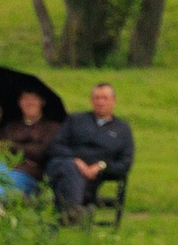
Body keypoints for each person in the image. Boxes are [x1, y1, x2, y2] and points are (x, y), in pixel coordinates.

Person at [47, 81, 134, 222]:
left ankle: (66, 214)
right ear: (91, 101)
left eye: (104, 98)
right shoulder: (75, 120)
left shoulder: (122, 130)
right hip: (66, 165)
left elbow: (125, 164)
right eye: (97, 98)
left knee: (68, 182)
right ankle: (74, 211)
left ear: (114, 101)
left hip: (94, 176)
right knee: (68, 168)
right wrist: (76, 161)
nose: (100, 102)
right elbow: (55, 146)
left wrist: (101, 166)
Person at [1, 88, 60, 191]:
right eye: (25, 99)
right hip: (5, 169)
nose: (30, 103)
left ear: (42, 102)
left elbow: (42, 152)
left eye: (34, 99)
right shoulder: (9, 127)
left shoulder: (52, 127)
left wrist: (8, 146)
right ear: (19, 102)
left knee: (8, 181)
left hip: (32, 175)